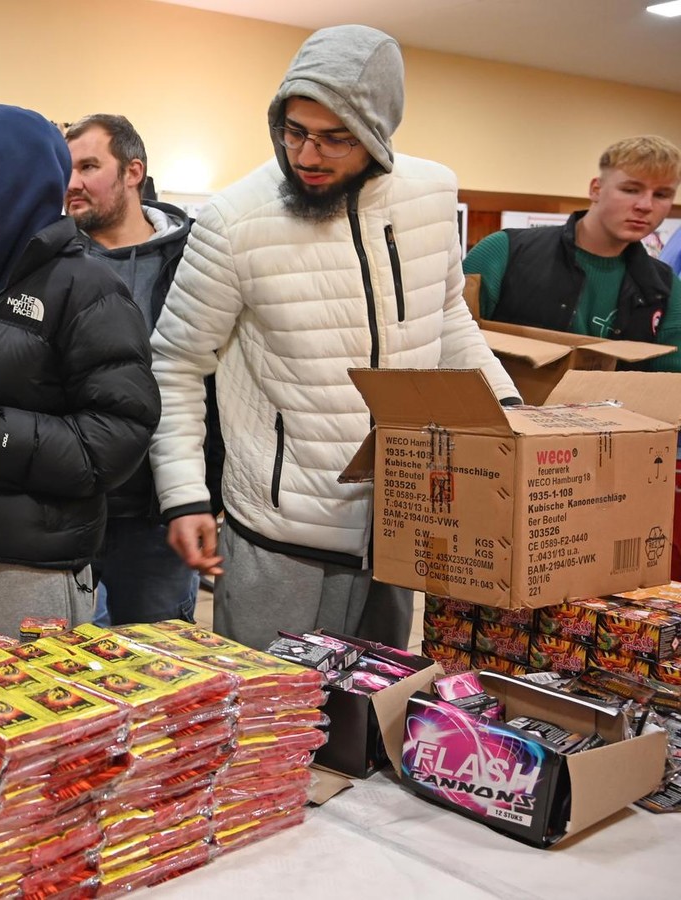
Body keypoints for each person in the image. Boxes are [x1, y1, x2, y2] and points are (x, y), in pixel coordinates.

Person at [149, 25, 519, 649]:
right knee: (274, 724)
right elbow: (176, 363)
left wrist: (507, 416)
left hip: (401, 520)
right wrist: (184, 496)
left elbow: (449, 317)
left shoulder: (432, 194)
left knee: (372, 721)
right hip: (280, 533)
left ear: (379, 134)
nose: (307, 156)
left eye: (334, 138)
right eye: (294, 130)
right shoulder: (234, 221)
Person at [0, 104, 158, 638]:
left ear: (8, 184)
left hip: (30, 572)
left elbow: (115, 440)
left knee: (32, 721)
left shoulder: (87, 289)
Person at [65, 113, 211, 625]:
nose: (72, 183)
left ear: (133, 171)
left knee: (162, 662)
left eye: (88, 166)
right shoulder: (54, 260)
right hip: (72, 502)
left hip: (158, 509)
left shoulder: (196, 258)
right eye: (67, 169)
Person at [464, 135, 681, 371]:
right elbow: (449, 344)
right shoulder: (503, 251)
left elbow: (669, 382)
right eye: (630, 189)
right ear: (596, 189)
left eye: (661, 195)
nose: (645, 205)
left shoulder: (665, 288)